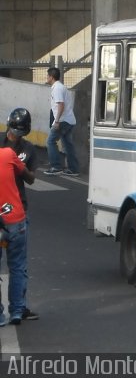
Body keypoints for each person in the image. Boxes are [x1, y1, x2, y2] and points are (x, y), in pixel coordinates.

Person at [1, 108, 39, 323]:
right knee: (17, 265)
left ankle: (17, 310)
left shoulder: (27, 150)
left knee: (17, 265)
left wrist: (20, 167)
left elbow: (31, 178)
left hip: (17, 211)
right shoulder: (6, 150)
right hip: (13, 214)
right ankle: (15, 310)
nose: (16, 135)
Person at [44, 67, 79, 176]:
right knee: (68, 145)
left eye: (47, 76)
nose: (47, 78)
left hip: (62, 121)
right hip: (69, 120)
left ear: (51, 77)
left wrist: (57, 121)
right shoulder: (60, 87)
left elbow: (61, 104)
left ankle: (56, 167)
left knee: (50, 141)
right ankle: (73, 169)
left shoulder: (57, 88)